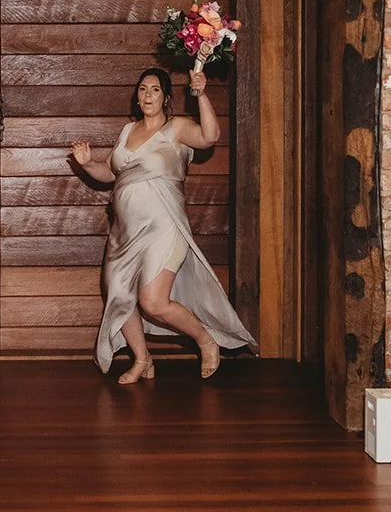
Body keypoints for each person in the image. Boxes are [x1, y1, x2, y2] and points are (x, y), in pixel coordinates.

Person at [69, 67, 256, 383]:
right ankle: (142, 359)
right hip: (124, 233)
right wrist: (87, 164)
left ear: (167, 98)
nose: (147, 95)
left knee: (153, 301)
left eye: (155, 90)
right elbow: (111, 174)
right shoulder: (127, 132)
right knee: (119, 293)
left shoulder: (177, 128)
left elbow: (210, 136)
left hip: (163, 226)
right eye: (142, 89)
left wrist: (202, 94)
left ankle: (206, 339)